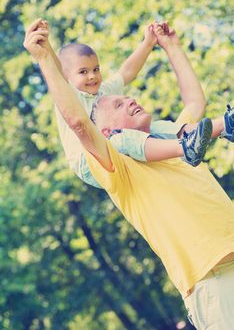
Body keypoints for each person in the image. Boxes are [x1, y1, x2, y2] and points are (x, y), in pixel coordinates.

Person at [24, 20, 234, 330]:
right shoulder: (118, 162)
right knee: (135, 140)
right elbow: (80, 123)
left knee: (190, 130)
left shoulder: (168, 138)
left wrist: (169, 46)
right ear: (105, 129)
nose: (130, 99)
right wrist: (45, 57)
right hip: (214, 277)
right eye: (120, 104)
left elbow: (194, 102)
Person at [35, 19, 214, 190]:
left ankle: (219, 128)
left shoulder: (104, 91)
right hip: (89, 162)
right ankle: (184, 147)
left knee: (156, 127)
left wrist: (148, 43)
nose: (92, 76)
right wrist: (45, 44)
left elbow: (127, 71)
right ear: (67, 77)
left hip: (110, 149)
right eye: (83, 72)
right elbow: (56, 72)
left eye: (96, 69)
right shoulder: (70, 94)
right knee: (122, 138)